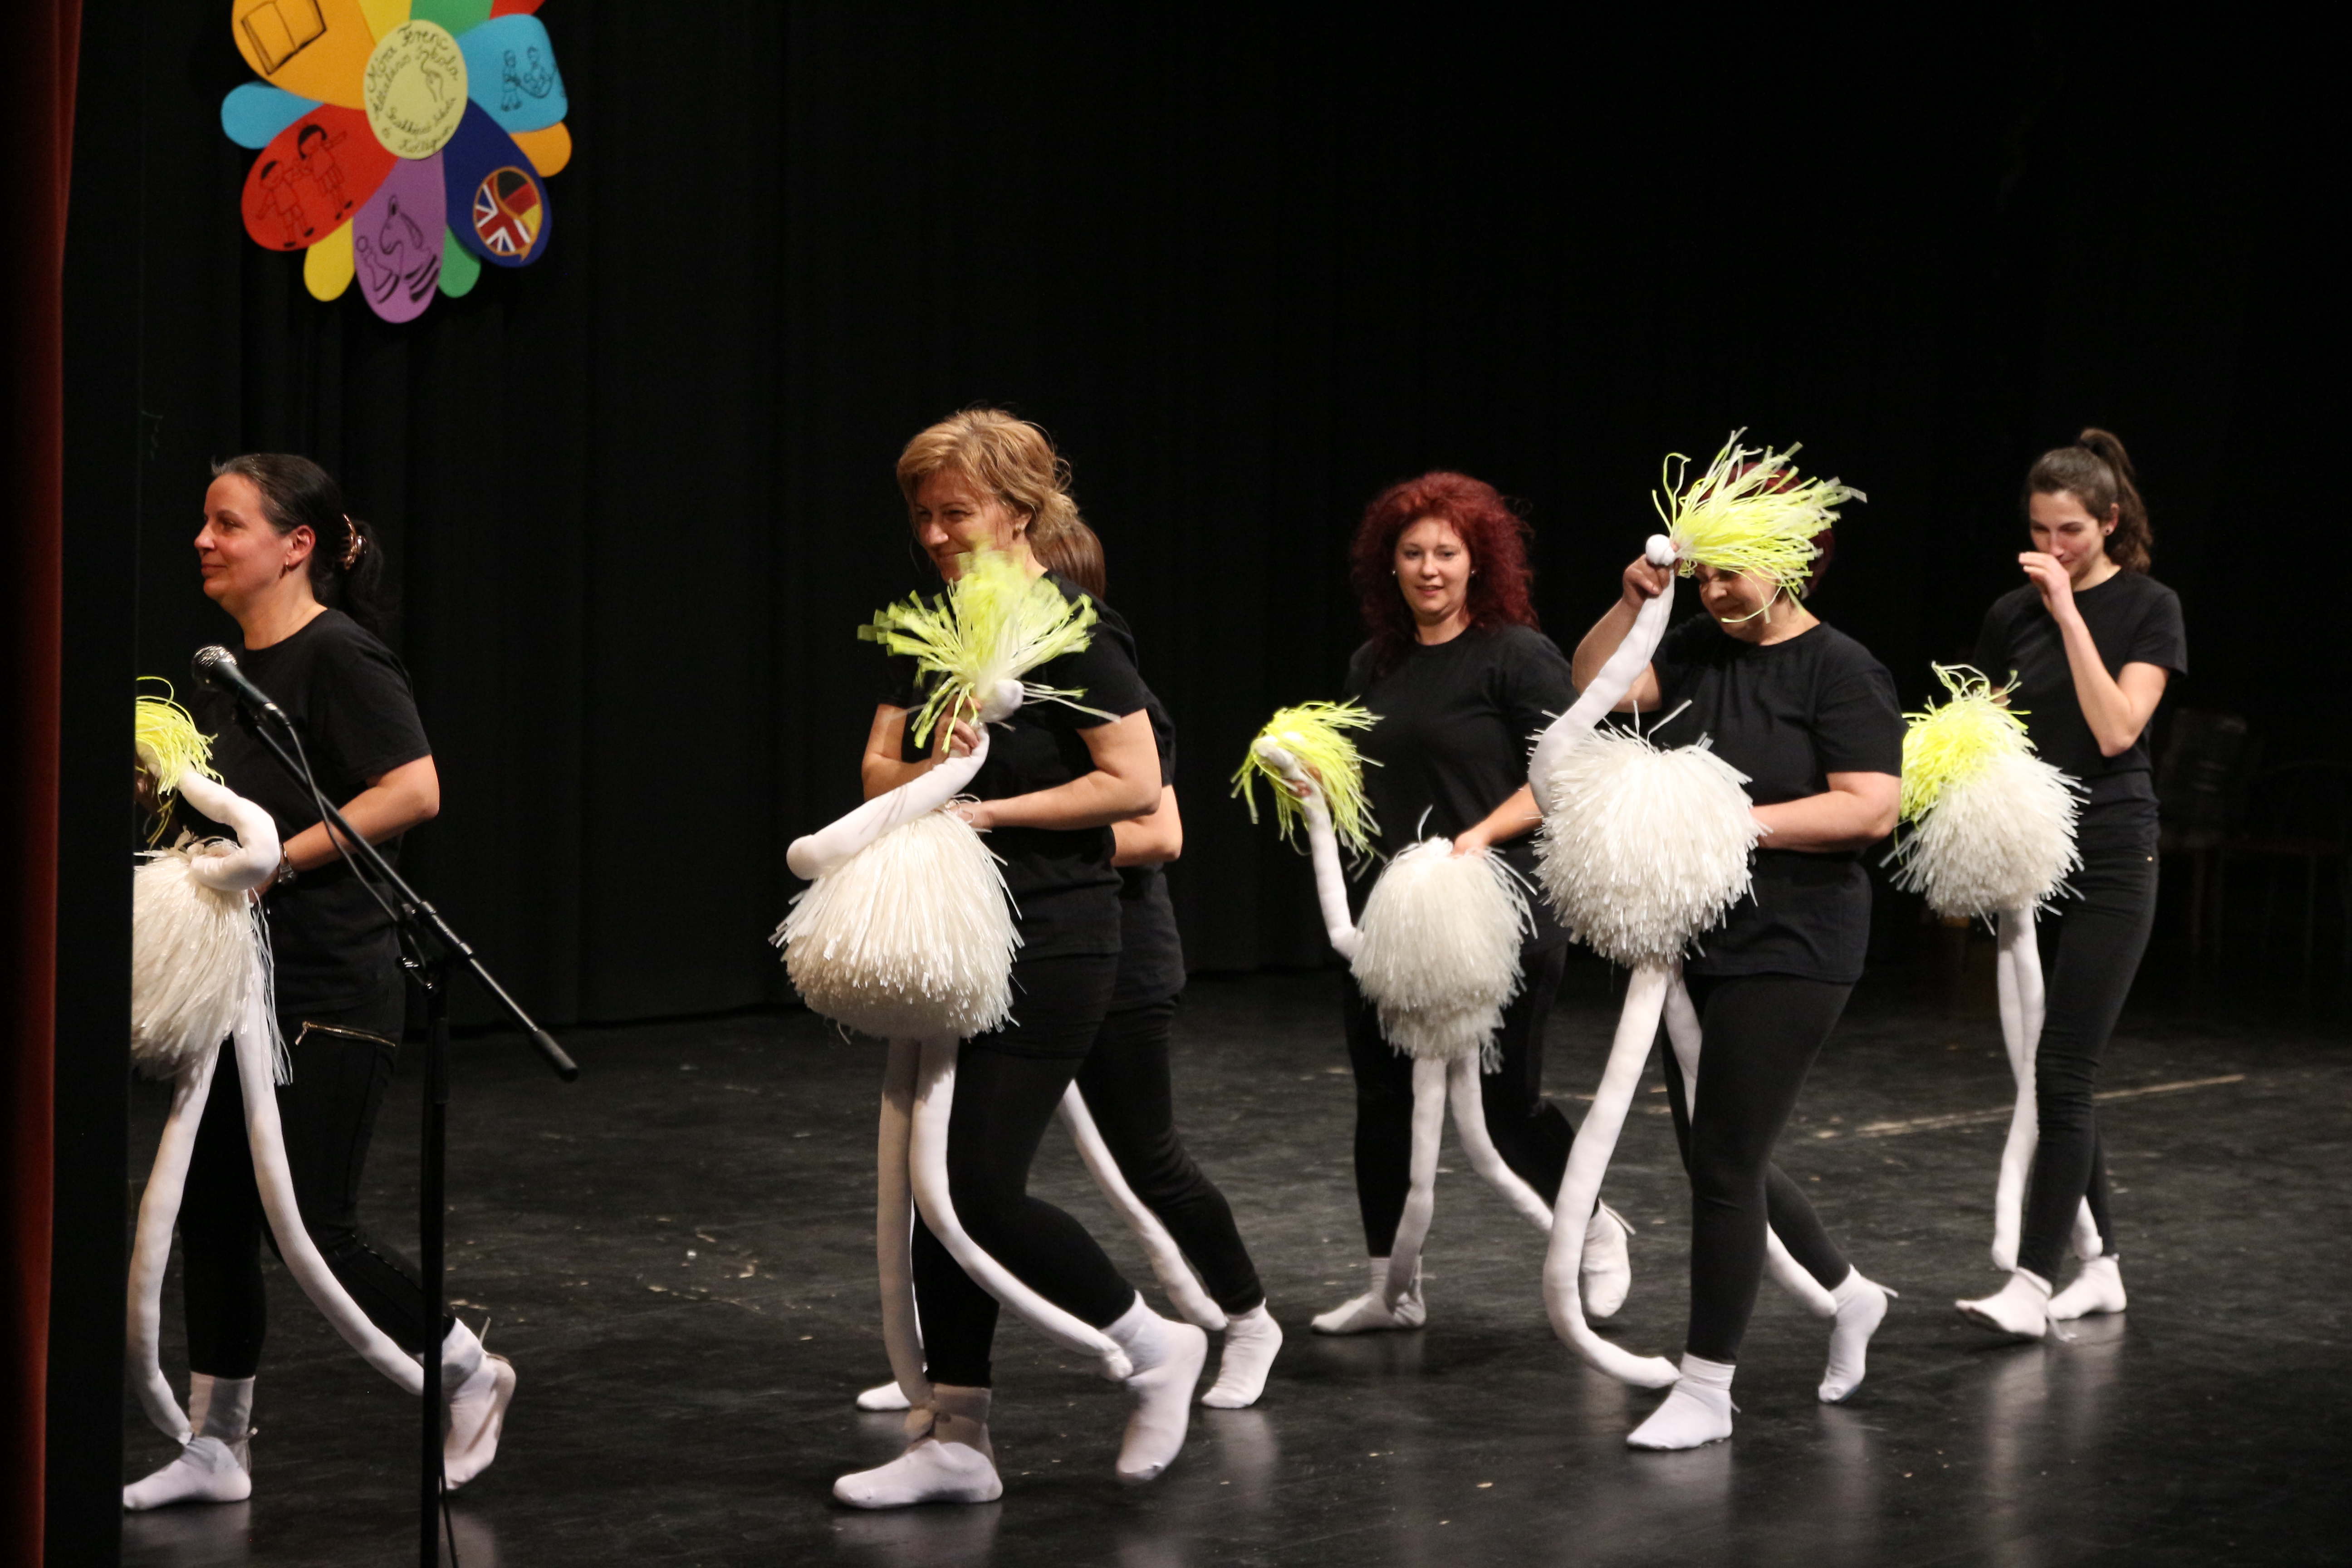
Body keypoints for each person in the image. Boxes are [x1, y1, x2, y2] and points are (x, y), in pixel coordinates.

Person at [833, 411, 1206, 1509]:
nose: (935, 534)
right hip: (956, 928)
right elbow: (875, 769)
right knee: (930, 1194)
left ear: (1019, 510)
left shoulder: (1071, 629)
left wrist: (991, 808)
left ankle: (1157, 1345)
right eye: (923, 515)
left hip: (1056, 932)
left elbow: (1133, 784)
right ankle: (956, 1435)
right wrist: (935, 770)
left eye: (955, 512)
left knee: (977, 1189)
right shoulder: (930, 628)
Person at [126, 455, 514, 1510]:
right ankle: (218, 1447)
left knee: (313, 1225)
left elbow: (414, 789)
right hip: (238, 992)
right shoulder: (230, 675)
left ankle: (469, 1372)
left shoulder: (338, 653)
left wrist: (280, 864)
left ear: (297, 545)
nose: (204, 541)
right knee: (216, 1219)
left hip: (327, 989)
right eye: (205, 522)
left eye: (228, 523)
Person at [1572, 518, 1902, 1449]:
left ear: (1791, 566)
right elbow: (1597, 689)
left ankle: (1708, 1388)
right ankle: (1850, 1293)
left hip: (1795, 940)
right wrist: (1631, 603)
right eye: (1704, 575)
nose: (1713, 591)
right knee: (1718, 1153)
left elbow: (1871, 807)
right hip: (1698, 935)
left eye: (1731, 575)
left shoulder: (1842, 669)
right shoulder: (1695, 648)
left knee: (1722, 1158)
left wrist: (1728, 822)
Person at [1313, 471, 1634, 1336]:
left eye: (1446, 553)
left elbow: (1567, 771)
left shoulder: (1515, 656)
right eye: (1413, 553)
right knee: (1382, 1099)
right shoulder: (1373, 664)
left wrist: (1482, 834)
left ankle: (1596, 1231)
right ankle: (1392, 1289)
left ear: (1476, 562)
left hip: (1503, 906)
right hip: (1400, 913)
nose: (1429, 569)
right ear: (1389, 565)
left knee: (1504, 1104)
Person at [1957, 429, 2184, 1338]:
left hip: (2115, 850)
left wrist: (2067, 612)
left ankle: (2033, 1283)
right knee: (2053, 1075)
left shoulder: (2149, 607)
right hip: (2032, 852)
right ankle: (2105, 1269)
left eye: (2071, 532)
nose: (2053, 548)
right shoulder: (2008, 614)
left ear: (2110, 521)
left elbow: (2118, 728)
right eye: (2040, 531)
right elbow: (1986, 730)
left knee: (2063, 1069)